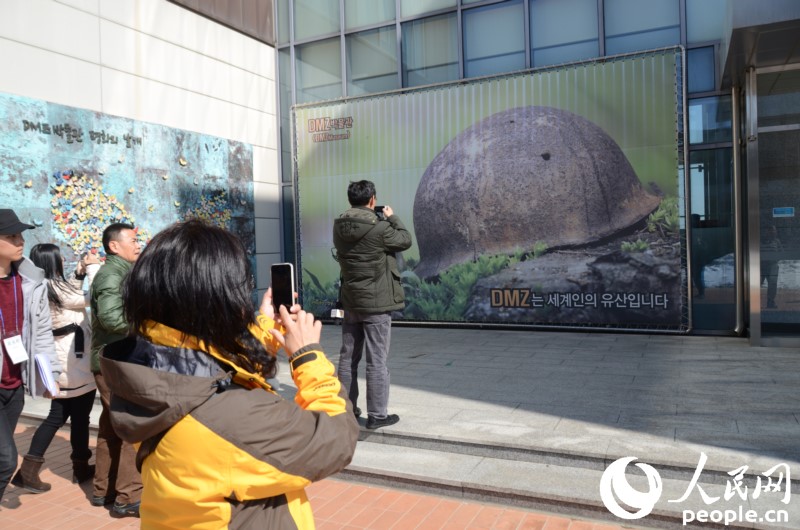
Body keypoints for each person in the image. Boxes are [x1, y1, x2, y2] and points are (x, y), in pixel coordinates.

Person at [100, 219, 358, 528]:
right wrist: (307, 357)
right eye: (238, 287)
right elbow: (335, 438)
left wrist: (263, 328)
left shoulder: (150, 370)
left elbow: (207, 361)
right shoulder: (230, 416)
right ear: (214, 300)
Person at [11, 245, 100, 494]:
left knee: (74, 416)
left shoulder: (47, 285)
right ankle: (36, 470)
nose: (64, 257)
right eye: (59, 255)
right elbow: (92, 297)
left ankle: (75, 465)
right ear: (51, 261)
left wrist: (79, 274)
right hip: (70, 362)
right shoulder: (50, 287)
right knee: (61, 417)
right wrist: (92, 268)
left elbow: (69, 291)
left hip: (70, 360)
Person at [332, 180, 412, 430]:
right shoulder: (380, 228)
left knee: (347, 359)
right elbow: (405, 240)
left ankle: (346, 410)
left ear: (350, 200)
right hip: (377, 303)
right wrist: (392, 217)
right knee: (376, 360)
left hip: (351, 301)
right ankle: (377, 415)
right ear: (372, 200)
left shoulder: (338, 226)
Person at [0, 209, 55, 503]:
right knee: (6, 461)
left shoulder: (30, 280)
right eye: (10, 236)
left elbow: (42, 333)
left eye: (21, 234)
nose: (20, 241)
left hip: (14, 384)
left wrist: (48, 377)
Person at [89, 222, 142, 517]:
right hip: (114, 362)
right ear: (114, 246)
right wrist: (147, 324)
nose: (138, 245)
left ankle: (103, 489)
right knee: (130, 426)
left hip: (112, 360)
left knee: (111, 428)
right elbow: (111, 318)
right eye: (133, 240)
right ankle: (128, 496)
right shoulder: (111, 274)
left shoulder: (120, 272)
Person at [761, 224, 782, 309]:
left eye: (774, 230)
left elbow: (781, 252)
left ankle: (770, 302)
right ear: (767, 232)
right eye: (771, 230)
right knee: (755, 283)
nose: (773, 232)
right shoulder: (761, 241)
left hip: (773, 266)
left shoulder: (777, 241)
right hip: (761, 266)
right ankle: (751, 301)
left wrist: (776, 259)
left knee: (772, 285)